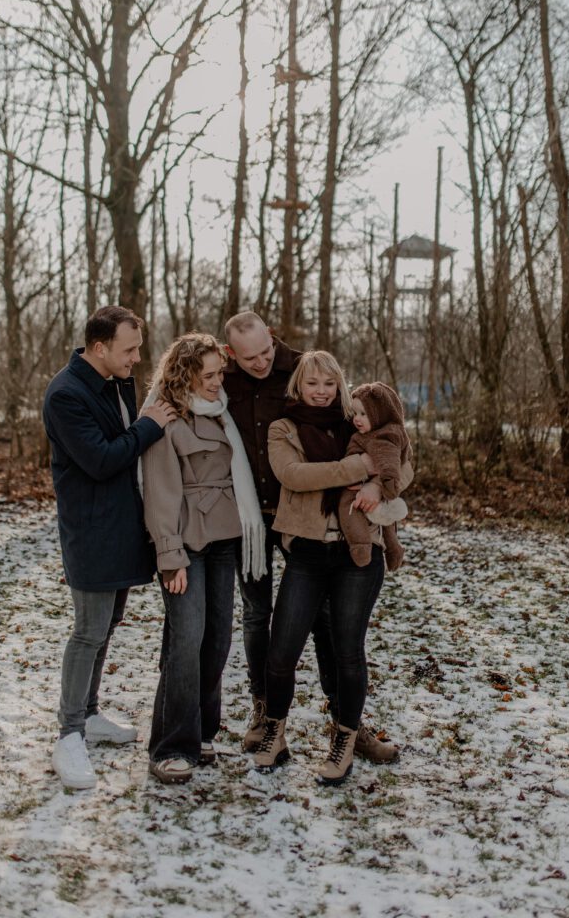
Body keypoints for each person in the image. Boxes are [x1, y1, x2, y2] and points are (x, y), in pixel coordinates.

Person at [254, 351, 412, 786]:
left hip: (356, 556)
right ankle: (275, 733)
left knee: (348, 651)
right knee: (282, 648)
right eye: (312, 383)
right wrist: (358, 468)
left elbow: (405, 463)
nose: (321, 392)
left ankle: (344, 739)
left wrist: (379, 484)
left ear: (339, 385)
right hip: (306, 552)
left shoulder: (359, 420)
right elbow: (294, 475)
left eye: (328, 383)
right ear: (298, 386)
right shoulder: (283, 428)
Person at [43, 305, 176, 790]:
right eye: (129, 349)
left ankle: (91, 713)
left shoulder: (117, 381)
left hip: (123, 525)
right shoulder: (65, 395)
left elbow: (123, 446)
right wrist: (150, 425)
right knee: (88, 631)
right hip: (91, 530)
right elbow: (101, 459)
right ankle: (69, 734)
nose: (137, 359)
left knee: (108, 627)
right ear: (99, 347)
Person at [142, 333, 266, 785]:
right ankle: (171, 745)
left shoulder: (223, 414)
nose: (218, 382)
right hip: (185, 542)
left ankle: (202, 731)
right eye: (208, 375)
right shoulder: (165, 418)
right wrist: (169, 556)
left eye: (220, 373)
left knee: (218, 638)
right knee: (186, 639)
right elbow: (159, 493)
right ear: (186, 374)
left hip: (224, 539)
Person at [223, 312, 339, 751]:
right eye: (249, 357)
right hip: (247, 520)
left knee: (321, 614)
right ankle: (264, 708)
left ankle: (341, 710)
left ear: (272, 337)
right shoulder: (223, 377)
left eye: (265, 352)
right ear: (232, 352)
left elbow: (343, 415)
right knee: (256, 614)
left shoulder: (302, 370)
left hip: (299, 514)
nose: (260, 363)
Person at [338, 381, 413, 572]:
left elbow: (389, 462)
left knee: (347, 507)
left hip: (360, 487)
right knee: (386, 521)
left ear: (380, 414)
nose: (357, 419)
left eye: (364, 414)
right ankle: (394, 549)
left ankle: (361, 545)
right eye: (355, 413)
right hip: (369, 485)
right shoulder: (378, 432)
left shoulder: (381, 437)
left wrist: (384, 486)